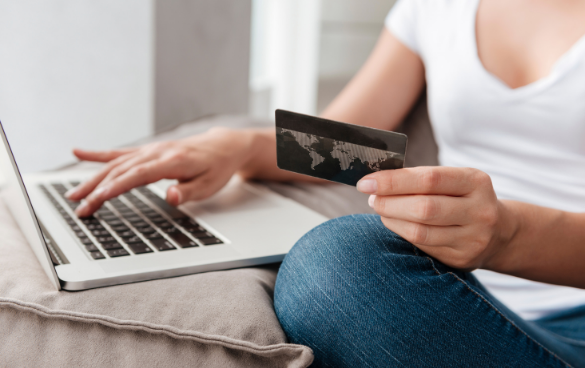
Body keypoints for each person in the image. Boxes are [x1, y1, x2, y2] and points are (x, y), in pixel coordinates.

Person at [66, 0, 585, 365]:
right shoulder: (436, 8)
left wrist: (509, 234)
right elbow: (352, 148)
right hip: (460, 296)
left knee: (332, 266)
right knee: (343, 263)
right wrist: (238, 145)